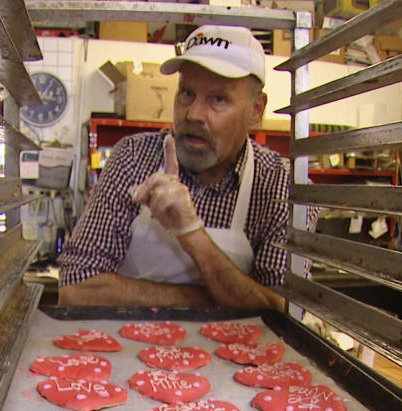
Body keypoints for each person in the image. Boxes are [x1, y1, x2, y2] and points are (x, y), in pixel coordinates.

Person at [59, 25, 301, 312]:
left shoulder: (279, 185)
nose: (194, 114)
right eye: (186, 93)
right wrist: (216, 298)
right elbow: (75, 289)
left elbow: (283, 312)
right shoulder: (134, 158)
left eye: (218, 99)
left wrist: (191, 232)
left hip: (235, 354)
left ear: (256, 110)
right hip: (131, 348)